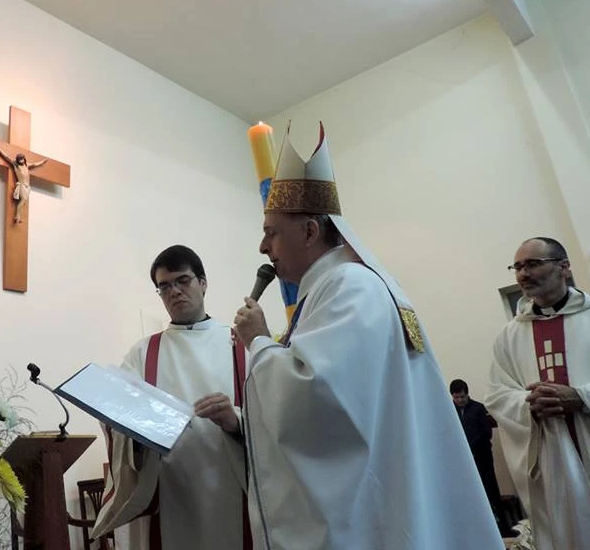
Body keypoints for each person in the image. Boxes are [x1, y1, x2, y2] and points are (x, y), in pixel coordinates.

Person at [232, 123, 502, 549]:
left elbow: (318, 396)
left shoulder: (348, 286)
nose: (264, 247)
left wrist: (260, 343)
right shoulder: (337, 288)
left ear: (309, 231)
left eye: (272, 232)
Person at [486, 237, 590, 550]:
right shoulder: (509, 337)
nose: (523, 273)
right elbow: (498, 395)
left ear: (564, 267)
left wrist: (584, 397)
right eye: (518, 267)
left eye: (533, 264)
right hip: (554, 460)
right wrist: (528, 405)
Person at [93, 245, 250, 549]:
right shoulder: (143, 353)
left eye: (183, 281)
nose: (174, 292)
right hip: (168, 491)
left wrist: (235, 421)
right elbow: (118, 425)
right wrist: (135, 434)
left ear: (203, 283)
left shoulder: (240, 346)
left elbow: (273, 422)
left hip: (229, 487)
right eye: (164, 286)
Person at [450, 378, 509, 534]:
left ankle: (503, 528)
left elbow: (486, 433)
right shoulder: (450, 411)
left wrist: (470, 446)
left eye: (462, 397)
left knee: (490, 490)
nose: (459, 400)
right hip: (462, 459)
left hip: (482, 456)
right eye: (456, 398)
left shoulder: (478, 408)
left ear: (467, 394)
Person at [0, 141, 47, 223]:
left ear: (24, 159)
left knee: (24, 201)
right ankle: (17, 216)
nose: (21, 160)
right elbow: (6, 157)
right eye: (20, 159)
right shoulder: (15, 164)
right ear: (17, 160)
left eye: (22, 158)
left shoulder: (27, 165)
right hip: (22, 185)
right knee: (23, 199)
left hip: (28, 187)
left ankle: (19, 217)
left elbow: (35, 164)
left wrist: (43, 162)